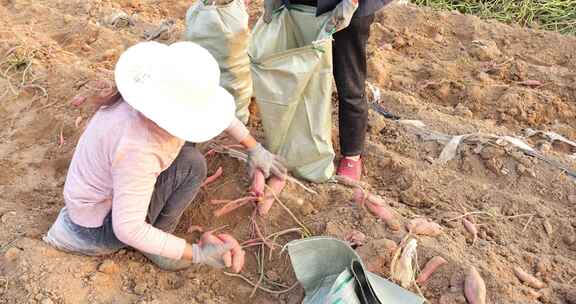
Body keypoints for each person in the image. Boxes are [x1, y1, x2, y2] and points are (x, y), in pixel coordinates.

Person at [43, 41, 286, 271]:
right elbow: (128, 228)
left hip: (89, 205)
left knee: (189, 142)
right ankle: (160, 245)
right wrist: (196, 253)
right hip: (97, 230)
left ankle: (161, 239)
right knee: (191, 165)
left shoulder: (141, 97)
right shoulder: (139, 148)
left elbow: (209, 108)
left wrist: (254, 148)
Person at [264, 0, 393, 181]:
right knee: (300, 76)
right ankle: (297, 143)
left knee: (349, 80)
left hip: (349, 8)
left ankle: (352, 154)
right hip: (301, 7)